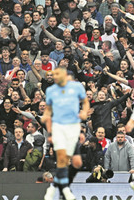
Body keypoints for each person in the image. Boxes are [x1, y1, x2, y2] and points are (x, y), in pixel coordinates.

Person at [42, 67, 89, 200]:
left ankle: (56, 186)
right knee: (63, 160)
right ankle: (62, 190)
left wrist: (84, 113)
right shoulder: (52, 91)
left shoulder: (77, 89)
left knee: (77, 162)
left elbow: (84, 103)